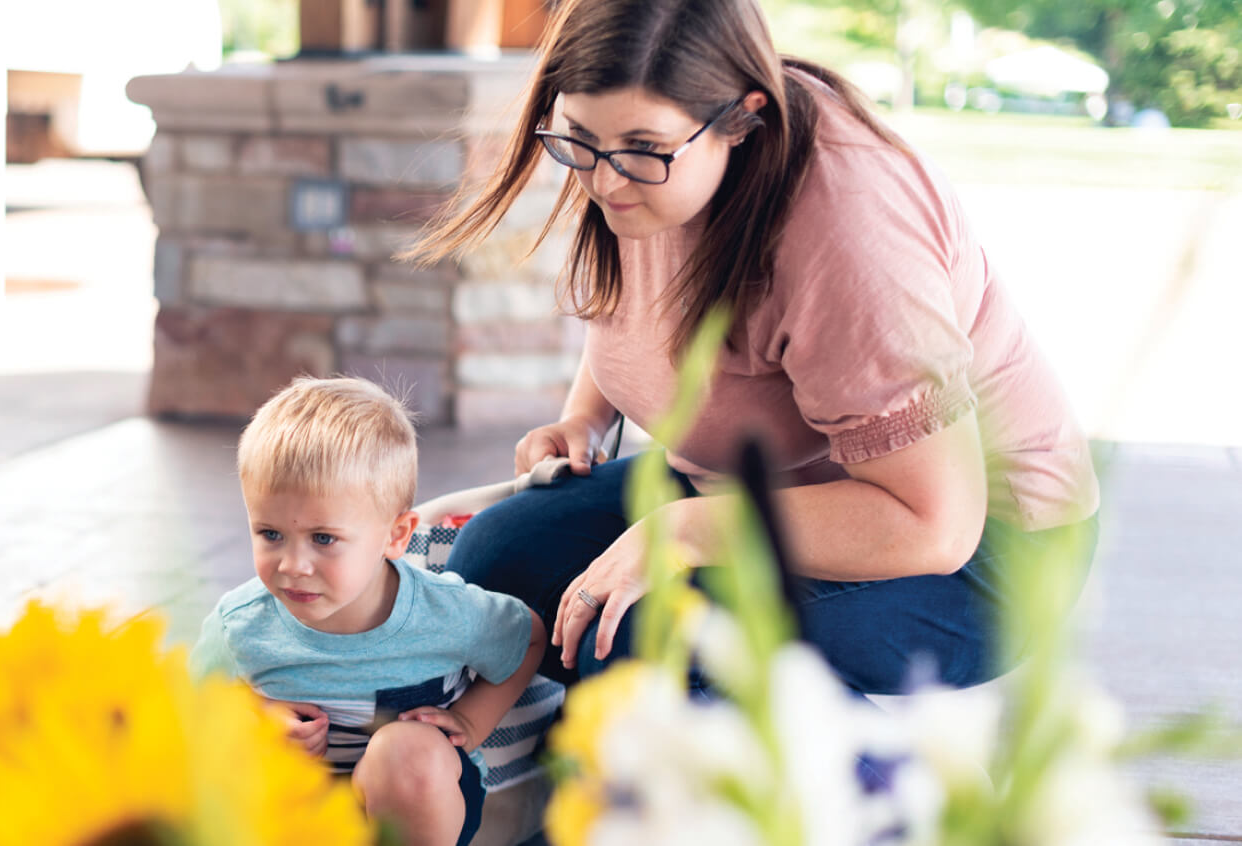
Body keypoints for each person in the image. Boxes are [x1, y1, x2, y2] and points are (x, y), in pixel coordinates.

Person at [405, 0, 1100, 693]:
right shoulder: (636, 162)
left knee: (634, 640)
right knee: (496, 562)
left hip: (973, 551)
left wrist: (681, 533)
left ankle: (870, 778)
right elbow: (639, 299)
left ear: (741, 117)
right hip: (758, 487)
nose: (605, 181)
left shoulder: (850, 236)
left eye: (642, 150)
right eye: (579, 139)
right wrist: (586, 417)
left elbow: (935, 526)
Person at [191, 377, 546, 846]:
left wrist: (471, 720)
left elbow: (529, 638)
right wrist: (256, 716)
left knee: (407, 752)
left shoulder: (443, 611)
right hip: (296, 815)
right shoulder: (240, 625)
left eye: (323, 539)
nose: (293, 566)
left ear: (396, 536)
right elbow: (188, 708)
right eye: (270, 534)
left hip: (415, 809)